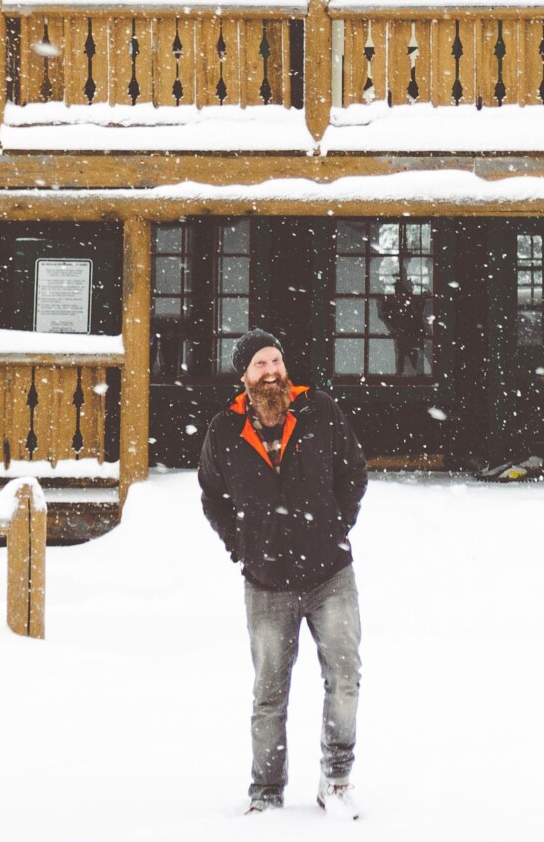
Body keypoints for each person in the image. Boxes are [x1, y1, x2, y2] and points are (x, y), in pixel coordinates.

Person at [199, 329, 367, 818]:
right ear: (245, 377)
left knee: (345, 678)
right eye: (260, 364)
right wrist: (242, 546)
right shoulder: (224, 431)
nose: (271, 370)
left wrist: (335, 527)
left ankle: (336, 782)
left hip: (329, 576)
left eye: (276, 360)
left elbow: (352, 472)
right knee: (269, 693)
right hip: (266, 583)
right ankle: (266, 794)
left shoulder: (320, 412)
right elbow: (213, 497)